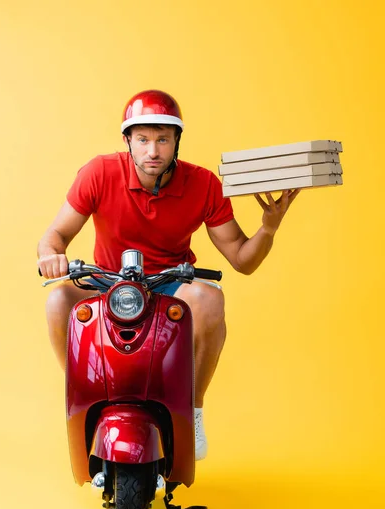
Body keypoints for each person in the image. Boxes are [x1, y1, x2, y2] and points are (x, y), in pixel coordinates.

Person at [37, 89, 300, 461]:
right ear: (127, 140)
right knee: (57, 299)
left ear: (177, 141)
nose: (153, 151)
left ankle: (192, 410)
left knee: (210, 299)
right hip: (108, 281)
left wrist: (268, 228)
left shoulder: (204, 184)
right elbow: (55, 236)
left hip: (168, 283)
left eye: (163, 139)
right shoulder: (98, 173)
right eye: (142, 139)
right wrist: (51, 255)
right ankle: (84, 398)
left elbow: (243, 260)